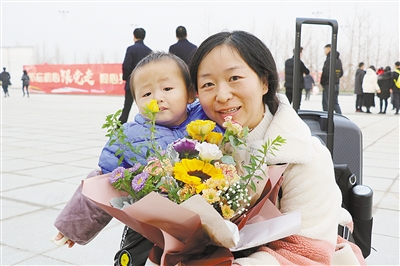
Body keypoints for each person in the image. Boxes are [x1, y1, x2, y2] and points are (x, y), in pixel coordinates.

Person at [190, 30, 365, 265]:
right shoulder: (201, 155)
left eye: (234, 78)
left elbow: (305, 254)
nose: (222, 95)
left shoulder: (306, 158)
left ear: (264, 82)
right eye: (208, 84)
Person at [52, 52, 223, 266]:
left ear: (190, 93)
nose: (157, 98)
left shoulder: (208, 117)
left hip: (210, 224)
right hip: (149, 232)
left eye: (167, 89)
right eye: (146, 93)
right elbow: (104, 182)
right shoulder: (130, 138)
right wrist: (73, 227)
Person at [118, 28, 152, 125]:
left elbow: (126, 65)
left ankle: (119, 128)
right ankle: (148, 126)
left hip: (132, 82)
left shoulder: (131, 49)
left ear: (134, 36)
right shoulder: (149, 51)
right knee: (146, 106)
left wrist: (126, 78)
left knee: (127, 107)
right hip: (145, 84)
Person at [320, 44, 343, 114]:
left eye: (325, 50)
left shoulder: (329, 60)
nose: (325, 52)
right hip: (336, 84)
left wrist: (322, 82)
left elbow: (325, 72)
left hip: (328, 84)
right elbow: (341, 73)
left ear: (329, 49)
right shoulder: (338, 60)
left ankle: (327, 118)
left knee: (326, 103)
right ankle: (340, 117)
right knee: (335, 103)